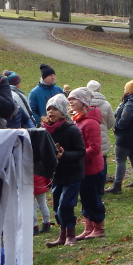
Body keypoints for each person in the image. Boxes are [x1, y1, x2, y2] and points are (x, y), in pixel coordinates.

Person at [42, 94, 85, 248]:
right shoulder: (44, 130)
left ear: (62, 112)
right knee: (57, 207)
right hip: (57, 174)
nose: (51, 112)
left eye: (55, 109)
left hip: (73, 173)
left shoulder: (72, 130)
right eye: (49, 109)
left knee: (65, 205)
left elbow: (81, 152)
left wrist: (64, 155)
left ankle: (71, 235)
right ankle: (62, 236)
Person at [68, 87, 106, 240]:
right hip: (82, 167)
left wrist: (77, 156)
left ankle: (99, 228)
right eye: (69, 99)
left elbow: (94, 148)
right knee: (84, 198)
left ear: (83, 102)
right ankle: (88, 227)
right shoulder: (77, 119)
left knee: (92, 198)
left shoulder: (90, 122)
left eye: (74, 99)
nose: (70, 101)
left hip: (92, 167)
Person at [87, 79, 115, 179]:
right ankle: (101, 182)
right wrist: (104, 128)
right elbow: (111, 121)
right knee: (102, 159)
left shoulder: (83, 103)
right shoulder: (106, 104)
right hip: (101, 136)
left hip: (87, 136)